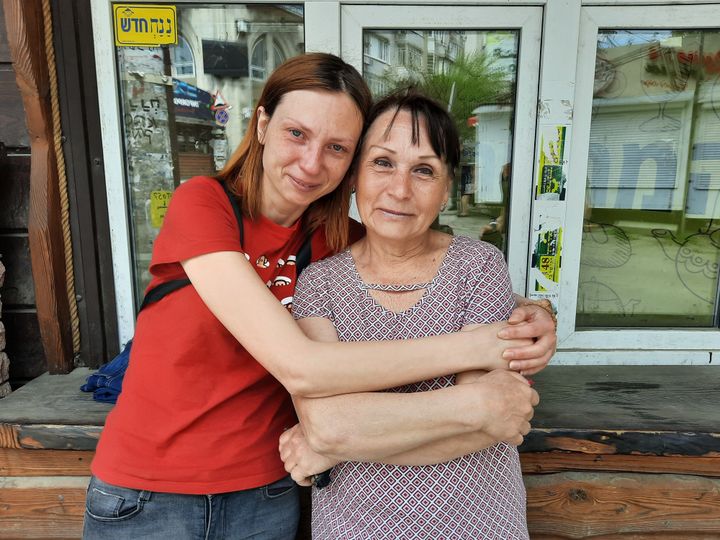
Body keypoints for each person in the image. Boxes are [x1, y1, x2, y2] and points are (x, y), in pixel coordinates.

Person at [83, 54, 555, 540]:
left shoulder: (333, 238)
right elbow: (302, 368)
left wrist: (532, 312)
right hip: (152, 489)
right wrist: (474, 360)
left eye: (336, 147)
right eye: (297, 134)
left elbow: (428, 262)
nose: (312, 163)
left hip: (263, 487)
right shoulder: (205, 205)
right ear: (262, 123)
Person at [280, 88, 548, 539]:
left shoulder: (479, 266)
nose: (399, 189)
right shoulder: (319, 282)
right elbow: (326, 424)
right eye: (382, 162)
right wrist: (475, 405)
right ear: (353, 177)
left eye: (424, 170)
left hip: (478, 521)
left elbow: (490, 425)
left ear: (446, 190)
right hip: (355, 525)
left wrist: (338, 444)